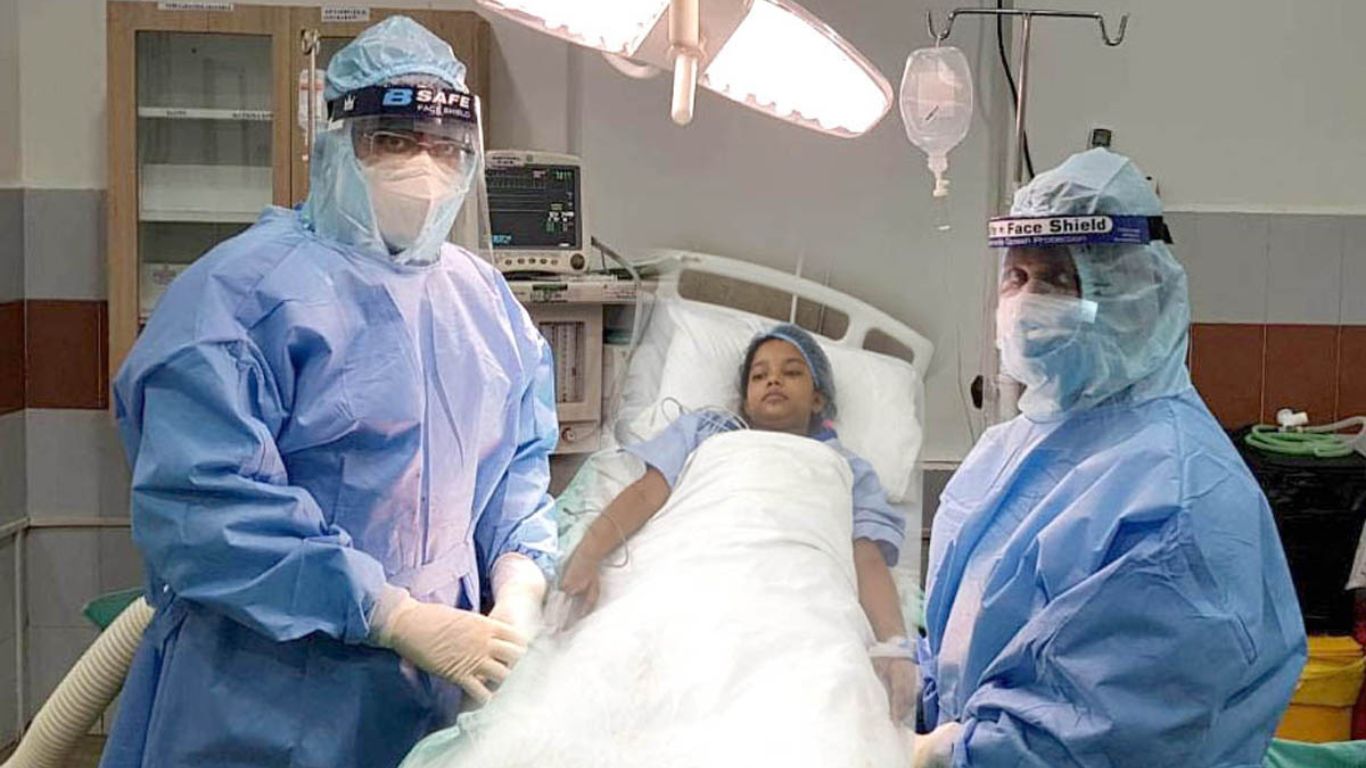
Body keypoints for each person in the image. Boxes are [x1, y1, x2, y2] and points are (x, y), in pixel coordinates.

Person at [100, 17, 557, 768]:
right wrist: (387, 612)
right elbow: (205, 505)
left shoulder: (483, 300)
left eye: (444, 146)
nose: (423, 167)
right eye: (393, 140)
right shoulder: (238, 296)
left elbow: (515, 468)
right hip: (264, 692)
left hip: (431, 693)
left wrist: (518, 580)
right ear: (336, 143)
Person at [915, 148, 1307, 768]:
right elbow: (955, 647)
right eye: (1017, 277)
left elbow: (1101, 737)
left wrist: (935, 755)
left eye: (1057, 280)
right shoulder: (1007, 451)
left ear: (1132, 296)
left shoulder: (1174, 499)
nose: (1027, 302)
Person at [559, 324, 917, 722]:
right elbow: (645, 495)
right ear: (745, 400)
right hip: (695, 563)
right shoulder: (708, 432)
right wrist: (588, 554)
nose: (774, 380)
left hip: (799, 585)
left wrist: (894, 646)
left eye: (791, 372)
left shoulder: (847, 467)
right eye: (759, 376)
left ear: (818, 398)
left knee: (815, 684)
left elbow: (866, 556)